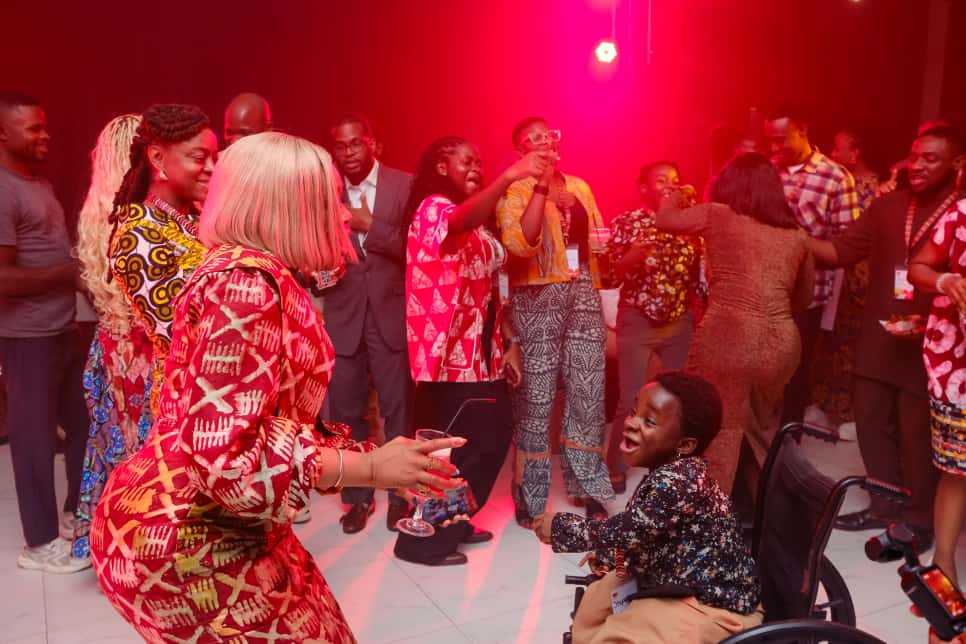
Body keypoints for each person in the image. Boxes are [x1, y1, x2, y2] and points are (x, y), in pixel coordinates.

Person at [90, 131, 466, 642]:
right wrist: (366, 468)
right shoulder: (246, 286)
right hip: (184, 537)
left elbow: (269, 422)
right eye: (330, 200)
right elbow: (221, 457)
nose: (343, 216)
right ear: (293, 208)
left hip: (226, 522)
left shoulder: (250, 274)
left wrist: (376, 463)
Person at [393, 137, 547, 566]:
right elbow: (458, 219)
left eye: (481, 160)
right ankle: (420, 544)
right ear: (442, 167)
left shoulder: (480, 223)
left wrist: (509, 344)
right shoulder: (433, 208)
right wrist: (508, 176)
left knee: (491, 439)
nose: (476, 166)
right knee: (450, 453)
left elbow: (506, 268)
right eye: (467, 160)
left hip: (481, 355)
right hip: (446, 360)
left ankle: (453, 522)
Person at [810, 126, 963, 542]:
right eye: (914, 156)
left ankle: (919, 520)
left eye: (931, 158)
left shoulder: (960, 212)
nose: (918, 165)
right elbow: (841, 251)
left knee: (917, 436)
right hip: (879, 336)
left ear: (955, 164)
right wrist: (787, 239)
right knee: (872, 424)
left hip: (932, 345)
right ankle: (884, 505)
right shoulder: (888, 205)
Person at [533, 372, 762, 643]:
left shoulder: (678, 482)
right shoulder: (668, 472)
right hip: (676, 576)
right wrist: (611, 562)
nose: (631, 423)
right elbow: (640, 533)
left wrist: (559, 527)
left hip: (711, 602)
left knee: (618, 633)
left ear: (684, 445)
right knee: (596, 602)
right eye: (633, 412)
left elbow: (626, 532)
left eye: (649, 421)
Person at [654, 153, 814, 494]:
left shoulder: (718, 214)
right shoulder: (797, 235)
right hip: (780, 345)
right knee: (754, 430)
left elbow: (665, 220)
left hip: (730, 336)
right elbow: (803, 298)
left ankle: (708, 525)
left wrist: (676, 194)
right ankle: (768, 517)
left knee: (717, 431)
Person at [497, 116, 615, 526]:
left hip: (581, 288)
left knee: (587, 390)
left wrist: (605, 254)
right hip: (536, 295)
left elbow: (595, 241)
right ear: (521, 152)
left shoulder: (580, 185)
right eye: (534, 140)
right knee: (536, 398)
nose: (545, 142)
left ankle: (589, 487)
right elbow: (520, 244)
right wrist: (542, 186)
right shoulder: (514, 189)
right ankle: (529, 493)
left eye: (549, 136)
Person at [0, 92, 89, 573]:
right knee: (34, 439)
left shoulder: (38, 183)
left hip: (61, 329)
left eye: (45, 126)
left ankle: (76, 512)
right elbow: (3, 279)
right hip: (26, 336)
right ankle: (39, 544)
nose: (45, 135)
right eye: (34, 128)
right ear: (3, 133)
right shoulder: (1, 190)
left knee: (84, 424)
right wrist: (68, 270)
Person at [322, 113, 414, 534]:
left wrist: (367, 226)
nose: (348, 153)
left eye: (355, 143)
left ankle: (401, 495)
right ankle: (356, 498)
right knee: (347, 413)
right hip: (344, 315)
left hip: (390, 314)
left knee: (398, 411)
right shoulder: (325, 190)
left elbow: (417, 246)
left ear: (372, 142)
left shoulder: (404, 185)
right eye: (340, 147)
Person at [71, 113, 152, 561]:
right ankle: (145, 551)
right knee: (146, 454)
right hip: (141, 354)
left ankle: (115, 547)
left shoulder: (94, 214)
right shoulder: (138, 219)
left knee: (115, 449)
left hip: (110, 352)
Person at [108, 104, 215, 413]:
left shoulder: (196, 218)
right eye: (199, 158)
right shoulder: (137, 236)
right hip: (192, 401)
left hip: (224, 388)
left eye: (214, 158)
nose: (211, 168)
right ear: (157, 159)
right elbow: (178, 332)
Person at [604, 161, 702, 495]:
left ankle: (664, 470)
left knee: (673, 401)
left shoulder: (690, 224)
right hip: (638, 319)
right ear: (643, 187)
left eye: (675, 180)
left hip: (679, 321)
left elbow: (699, 278)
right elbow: (612, 274)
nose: (670, 186)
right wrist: (632, 255)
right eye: (661, 180)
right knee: (631, 400)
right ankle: (615, 467)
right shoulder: (628, 221)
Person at [765, 104, 860, 430]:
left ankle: (787, 442)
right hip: (761, 287)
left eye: (781, 140)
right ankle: (756, 436)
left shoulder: (835, 178)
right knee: (762, 365)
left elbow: (847, 246)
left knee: (796, 369)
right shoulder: (767, 171)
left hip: (806, 294)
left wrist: (795, 242)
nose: (775, 148)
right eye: (771, 141)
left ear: (802, 131)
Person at [908, 146, 966, 587]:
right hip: (958, 365)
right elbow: (919, 267)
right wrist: (945, 278)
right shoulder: (960, 214)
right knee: (957, 469)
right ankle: (943, 565)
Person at [809, 130, 881, 435]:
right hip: (837, 274)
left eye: (838, 151)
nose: (833, 156)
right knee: (831, 343)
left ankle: (848, 414)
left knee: (851, 344)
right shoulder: (839, 184)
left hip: (860, 280)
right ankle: (826, 405)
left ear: (856, 153)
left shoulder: (875, 189)